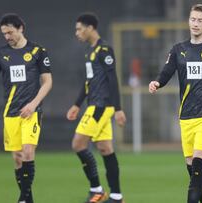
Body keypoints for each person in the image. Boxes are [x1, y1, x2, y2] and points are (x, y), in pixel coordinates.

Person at [149, 4, 202, 203]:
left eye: (200, 20)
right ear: (189, 20)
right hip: (186, 116)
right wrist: (157, 82)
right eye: (193, 19)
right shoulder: (179, 49)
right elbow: (167, 71)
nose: (195, 24)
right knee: (193, 171)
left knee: (198, 167)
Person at [0, 13, 53, 203]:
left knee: (28, 152)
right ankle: (28, 199)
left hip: (31, 112)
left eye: (10, 32)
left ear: (21, 28)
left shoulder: (38, 51)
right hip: (11, 112)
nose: (7, 36)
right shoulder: (0, 54)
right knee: (17, 158)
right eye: (4, 34)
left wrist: (34, 104)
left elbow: (47, 82)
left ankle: (23, 199)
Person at [66, 13, 127, 203]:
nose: (77, 33)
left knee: (78, 144)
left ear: (90, 28)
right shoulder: (89, 52)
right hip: (94, 104)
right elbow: (88, 82)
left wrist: (118, 108)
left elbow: (112, 79)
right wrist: (77, 104)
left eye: (79, 28)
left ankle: (96, 190)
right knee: (105, 148)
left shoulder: (105, 49)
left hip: (101, 106)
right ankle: (116, 196)